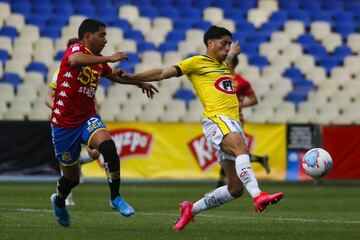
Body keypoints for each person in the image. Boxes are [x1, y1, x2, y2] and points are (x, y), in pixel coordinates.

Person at [125, 26, 284, 231]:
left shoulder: (221, 66)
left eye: (229, 44)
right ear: (210, 42)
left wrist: (232, 53)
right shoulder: (196, 62)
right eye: (223, 43)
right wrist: (133, 77)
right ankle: (258, 195)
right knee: (241, 149)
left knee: (235, 189)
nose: (227, 48)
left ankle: (191, 210)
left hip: (232, 122)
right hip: (217, 119)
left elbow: (224, 65)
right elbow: (163, 72)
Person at [49, 19, 158, 228]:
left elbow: (114, 77)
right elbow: (74, 60)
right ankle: (59, 201)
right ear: (88, 36)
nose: (105, 40)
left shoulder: (98, 60)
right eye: (102, 35)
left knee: (108, 146)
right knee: (71, 179)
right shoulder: (77, 48)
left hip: (87, 117)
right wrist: (110, 57)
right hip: (63, 124)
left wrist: (138, 82)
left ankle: (115, 197)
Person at [46, 37, 101, 206]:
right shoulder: (60, 72)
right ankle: (65, 195)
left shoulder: (89, 69)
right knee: (69, 163)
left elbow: (90, 95)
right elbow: (48, 97)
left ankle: (78, 164)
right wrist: (60, 110)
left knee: (95, 153)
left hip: (84, 119)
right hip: (66, 121)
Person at [215, 55, 270, 188]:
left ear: (231, 64)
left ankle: (220, 185)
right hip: (220, 118)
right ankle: (259, 159)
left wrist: (239, 105)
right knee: (229, 151)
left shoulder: (242, 82)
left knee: (230, 151)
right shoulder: (218, 79)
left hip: (236, 120)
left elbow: (254, 99)